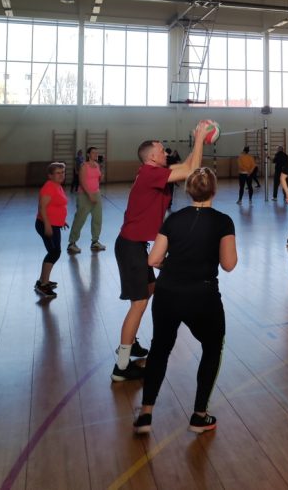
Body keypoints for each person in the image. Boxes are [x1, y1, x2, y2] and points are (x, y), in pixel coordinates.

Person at [133, 167, 237, 435]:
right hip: (202, 296)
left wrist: (173, 264)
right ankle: (199, 415)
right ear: (214, 191)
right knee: (212, 348)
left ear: (189, 190)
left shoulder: (174, 219)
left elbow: (153, 259)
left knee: (160, 348)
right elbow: (228, 264)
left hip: (167, 292)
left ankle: (145, 414)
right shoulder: (223, 221)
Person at [111, 123, 207, 382]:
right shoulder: (150, 174)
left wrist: (198, 141)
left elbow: (186, 165)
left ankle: (130, 342)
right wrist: (199, 138)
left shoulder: (153, 171)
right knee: (139, 303)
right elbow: (192, 171)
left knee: (149, 290)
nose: (166, 152)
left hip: (135, 246)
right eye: (162, 150)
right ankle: (121, 366)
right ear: (152, 157)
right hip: (130, 247)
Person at [34, 162, 68, 298]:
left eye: (63, 172)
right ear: (50, 175)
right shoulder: (49, 187)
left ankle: (42, 281)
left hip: (54, 224)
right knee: (54, 252)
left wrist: (61, 220)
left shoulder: (57, 186)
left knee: (54, 252)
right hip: (46, 224)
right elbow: (42, 207)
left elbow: (56, 205)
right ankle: (43, 285)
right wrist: (47, 225)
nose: (61, 175)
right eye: (58, 173)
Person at [67, 146, 105, 253]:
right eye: (93, 153)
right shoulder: (84, 166)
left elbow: (99, 180)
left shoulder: (97, 165)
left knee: (98, 218)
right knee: (80, 219)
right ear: (88, 155)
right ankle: (72, 243)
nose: (96, 154)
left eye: (97, 153)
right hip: (84, 195)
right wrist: (89, 195)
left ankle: (95, 242)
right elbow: (82, 181)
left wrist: (102, 169)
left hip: (96, 193)